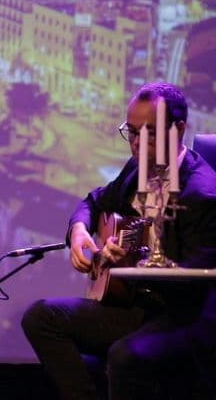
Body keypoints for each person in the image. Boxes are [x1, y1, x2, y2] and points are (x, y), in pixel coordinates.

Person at [21, 82, 216, 399]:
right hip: (138, 307)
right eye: (132, 132)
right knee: (41, 317)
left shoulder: (203, 194)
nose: (137, 144)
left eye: (149, 133)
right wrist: (79, 232)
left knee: (124, 355)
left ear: (179, 129)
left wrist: (134, 260)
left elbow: (194, 282)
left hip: (185, 317)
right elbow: (93, 202)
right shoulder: (135, 169)